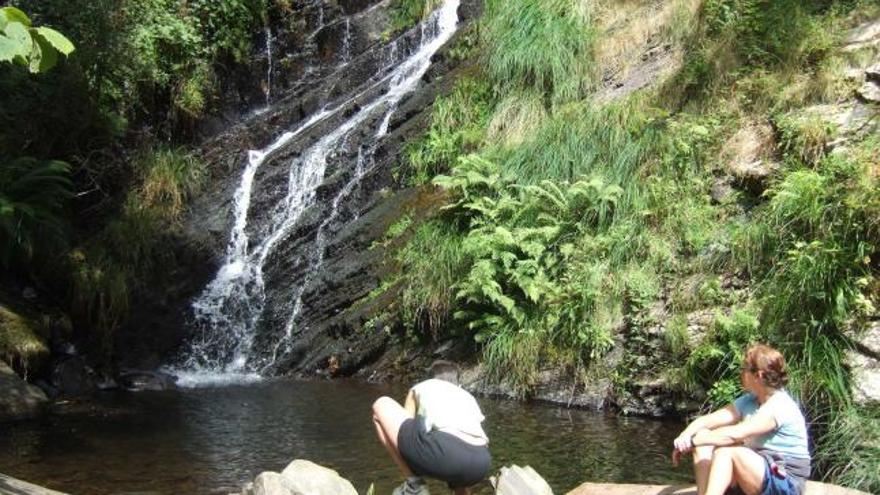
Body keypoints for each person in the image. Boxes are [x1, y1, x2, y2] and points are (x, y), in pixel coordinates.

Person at [671, 344, 811, 495]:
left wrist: (694, 440)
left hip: (785, 481)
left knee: (727, 453)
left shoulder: (779, 405)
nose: (741, 373)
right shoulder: (750, 400)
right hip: (756, 472)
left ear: (759, 375)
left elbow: (736, 434)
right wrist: (685, 436)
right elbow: (707, 421)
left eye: (744, 369)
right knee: (704, 444)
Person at [372, 360, 491, 495]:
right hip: (481, 463)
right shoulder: (467, 396)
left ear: (431, 378)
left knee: (380, 405)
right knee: (458, 466)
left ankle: (414, 485)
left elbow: (406, 425)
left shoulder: (422, 387)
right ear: (458, 383)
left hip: (448, 454)